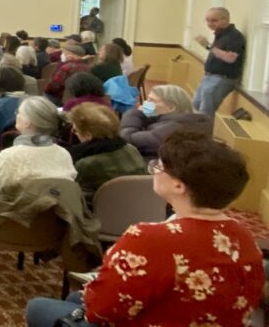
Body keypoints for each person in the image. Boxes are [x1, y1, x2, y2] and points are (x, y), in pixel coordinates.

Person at [25, 132, 263, 326]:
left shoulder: (150, 238)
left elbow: (100, 311)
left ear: (179, 186)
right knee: (74, 298)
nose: (154, 170)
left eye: (159, 167)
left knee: (38, 307)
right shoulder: (244, 234)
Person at [0, 96, 77, 204]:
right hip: (55, 216)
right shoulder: (64, 154)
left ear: (27, 123)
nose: (16, 115)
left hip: (16, 217)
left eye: (18, 112)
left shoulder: (8, 157)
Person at [65, 103, 145, 204]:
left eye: (75, 130)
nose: (73, 133)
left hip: (100, 216)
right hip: (142, 208)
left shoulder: (86, 164)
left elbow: (77, 202)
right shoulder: (131, 149)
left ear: (88, 135)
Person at [119, 84, 212, 158]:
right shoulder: (191, 122)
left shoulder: (171, 129)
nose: (145, 103)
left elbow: (127, 140)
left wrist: (135, 113)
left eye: (152, 100)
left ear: (171, 107)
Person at [193, 7, 246, 116]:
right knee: (195, 104)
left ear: (225, 19)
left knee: (205, 112)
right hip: (209, 76)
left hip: (222, 78)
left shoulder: (234, 36)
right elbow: (217, 52)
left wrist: (208, 46)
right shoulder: (220, 34)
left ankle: (202, 133)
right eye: (207, 20)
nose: (210, 24)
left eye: (214, 20)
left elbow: (230, 58)